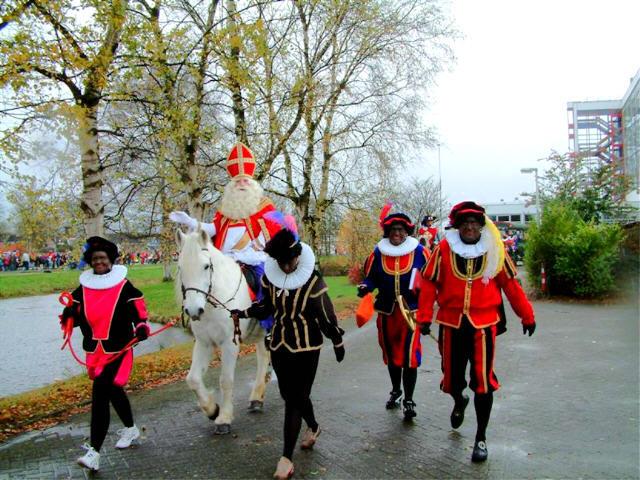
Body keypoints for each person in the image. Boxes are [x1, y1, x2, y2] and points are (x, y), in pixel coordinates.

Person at [417, 201, 536, 463]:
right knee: (451, 381)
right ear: (458, 226)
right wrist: (424, 316)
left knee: (483, 381)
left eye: (474, 223)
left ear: (480, 226)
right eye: (465, 223)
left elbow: (510, 286)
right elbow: (428, 282)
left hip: (484, 326)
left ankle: (480, 437)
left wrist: (527, 315)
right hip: (450, 324)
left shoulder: (494, 249)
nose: (470, 227)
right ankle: (459, 400)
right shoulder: (444, 249)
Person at [230, 226, 345, 479]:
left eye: (289, 261)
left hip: (307, 348)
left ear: (297, 257)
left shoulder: (314, 282)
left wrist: (337, 341)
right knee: (289, 394)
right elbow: (266, 307)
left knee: (295, 398)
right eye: (281, 262)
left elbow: (326, 316)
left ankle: (286, 459)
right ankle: (313, 427)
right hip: (280, 345)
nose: (285, 267)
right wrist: (242, 312)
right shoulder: (270, 279)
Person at [59, 236, 150, 472]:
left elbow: (139, 312)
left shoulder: (123, 284)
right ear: (90, 261)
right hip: (94, 350)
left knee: (100, 393)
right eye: (95, 258)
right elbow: (75, 312)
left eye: (103, 258)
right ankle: (130, 429)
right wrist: (69, 316)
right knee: (113, 391)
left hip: (118, 348)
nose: (99, 262)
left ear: (110, 260)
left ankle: (95, 452)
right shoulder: (84, 286)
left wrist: (141, 327)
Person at [170, 142, 280, 328]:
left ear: (252, 183)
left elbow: (274, 232)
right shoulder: (225, 209)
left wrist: (259, 246)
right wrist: (190, 222)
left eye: (245, 181)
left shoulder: (265, 205)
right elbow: (213, 229)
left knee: (265, 285)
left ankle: (268, 326)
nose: (242, 184)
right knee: (203, 282)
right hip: (226, 259)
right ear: (232, 185)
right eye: (238, 181)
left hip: (254, 258)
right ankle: (203, 323)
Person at [357, 205, 431, 420]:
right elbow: (370, 277)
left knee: (409, 356)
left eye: (400, 230)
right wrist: (365, 287)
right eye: (393, 230)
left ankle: (409, 399)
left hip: (412, 312)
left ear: (407, 231)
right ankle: (396, 391)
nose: (396, 234)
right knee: (391, 355)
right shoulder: (378, 253)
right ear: (387, 232)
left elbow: (431, 278)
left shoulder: (420, 252)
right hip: (387, 312)